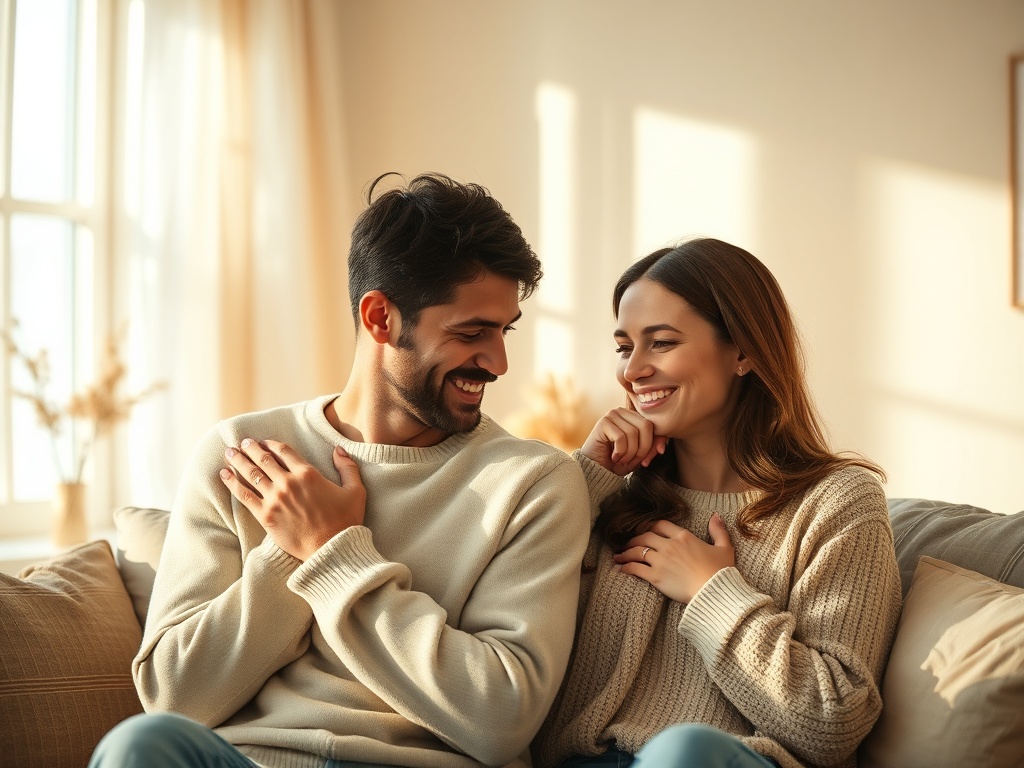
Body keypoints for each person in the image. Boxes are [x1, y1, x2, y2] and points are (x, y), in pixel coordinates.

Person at [90, 172, 591, 768]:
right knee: (138, 747)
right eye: (471, 332)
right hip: (250, 760)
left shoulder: (532, 482)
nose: (498, 361)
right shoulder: (242, 453)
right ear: (380, 317)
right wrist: (289, 552)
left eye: (504, 331)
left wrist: (332, 551)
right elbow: (173, 697)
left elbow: (501, 719)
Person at [533, 238, 902, 768]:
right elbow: (507, 639)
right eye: (623, 347)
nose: (631, 370)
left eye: (660, 343)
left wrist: (712, 593)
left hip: (710, 761)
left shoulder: (837, 504)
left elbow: (833, 721)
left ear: (743, 351)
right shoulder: (611, 498)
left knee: (682, 751)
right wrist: (586, 480)